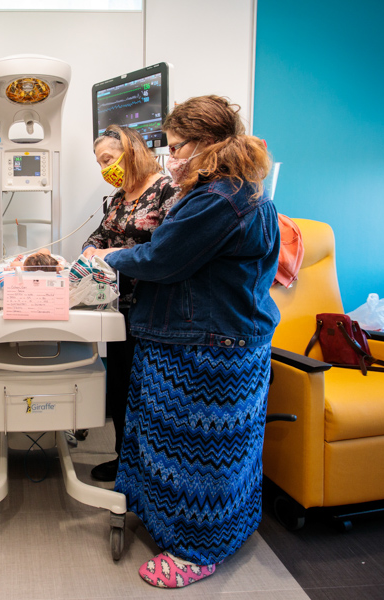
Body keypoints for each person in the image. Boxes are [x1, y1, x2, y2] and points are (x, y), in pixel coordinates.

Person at [90, 96, 279, 588]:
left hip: (208, 350)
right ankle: (174, 522)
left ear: (207, 146)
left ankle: (197, 550)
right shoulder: (235, 192)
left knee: (198, 457)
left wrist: (108, 259)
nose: (170, 156)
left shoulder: (219, 199)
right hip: (208, 339)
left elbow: (161, 261)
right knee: (171, 445)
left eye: (176, 147)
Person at [82, 125, 179, 482]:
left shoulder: (167, 190)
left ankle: (151, 471)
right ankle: (124, 460)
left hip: (154, 309)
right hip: (118, 307)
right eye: (99, 164)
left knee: (149, 391)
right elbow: (98, 235)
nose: (104, 169)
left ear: (132, 151)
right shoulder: (119, 198)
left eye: (108, 159)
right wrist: (92, 249)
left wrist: (112, 252)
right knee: (121, 387)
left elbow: (167, 250)